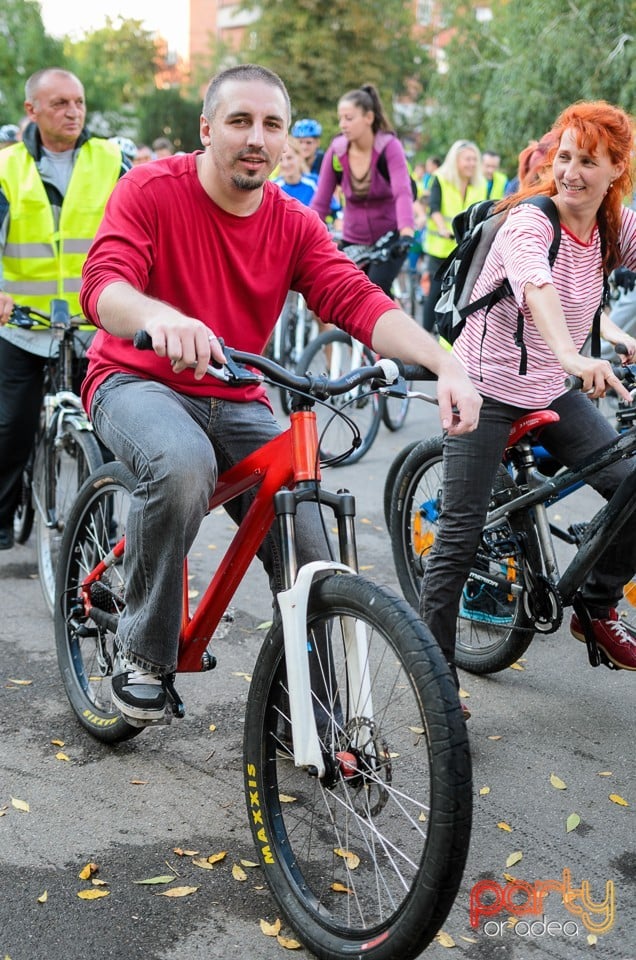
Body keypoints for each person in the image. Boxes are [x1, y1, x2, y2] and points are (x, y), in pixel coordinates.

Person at [79, 63, 482, 725]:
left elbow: (354, 298)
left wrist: (446, 363)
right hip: (136, 378)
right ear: (207, 128)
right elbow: (105, 285)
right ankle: (143, 654)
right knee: (183, 466)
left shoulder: (292, 223)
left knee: (306, 532)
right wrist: (161, 318)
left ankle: (316, 714)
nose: (256, 138)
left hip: (236, 392)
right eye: (239, 121)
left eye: (271, 124)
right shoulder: (151, 188)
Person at [419, 100, 636, 706]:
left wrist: (582, 356)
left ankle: (595, 605)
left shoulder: (615, 227)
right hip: (483, 387)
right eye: (563, 156)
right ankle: (437, 681)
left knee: (632, 483)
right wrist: (571, 355)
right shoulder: (529, 222)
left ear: (617, 169)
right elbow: (535, 286)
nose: (569, 172)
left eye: (587, 161)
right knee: (458, 539)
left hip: (549, 386)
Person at [0, 67, 129, 551]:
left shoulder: (111, 158)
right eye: (60, 104)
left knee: (108, 426)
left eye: (78, 102)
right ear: (32, 111)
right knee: (11, 424)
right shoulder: (6, 167)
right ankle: (2, 516)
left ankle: (102, 519)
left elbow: (144, 224)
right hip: (21, 324)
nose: (73, 111)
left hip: (93, 321)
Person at [310, 83, 415, 298]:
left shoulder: (389, 147)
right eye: (341, 119)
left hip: (390, 236)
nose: (343, 125)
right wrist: (305, 235)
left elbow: (402, 192)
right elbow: (320, 201)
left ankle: (398, 328)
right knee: (349, 296)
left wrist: (406, 233)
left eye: (349, 119)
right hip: (353, 237)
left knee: (376, 289)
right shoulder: (337, 151)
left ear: (368, 118)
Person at [422, 139, 487, 333]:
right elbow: (434, 208)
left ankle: (452, 340)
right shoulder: (440, 179)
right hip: (440, 249)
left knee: (461, 297)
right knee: (435, 294)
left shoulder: (480, 184)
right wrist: (443, 228)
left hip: (465, 250)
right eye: (467, 159)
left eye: (475, 160)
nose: (472, 164)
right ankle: (425, 335)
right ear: (456, 160)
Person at [273, 136, 318, 205]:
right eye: (281, 160)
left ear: (300, 157)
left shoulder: (314, 183)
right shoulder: (273, 188)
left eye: (289, 158)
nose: (285, 164)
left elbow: (336, 210)